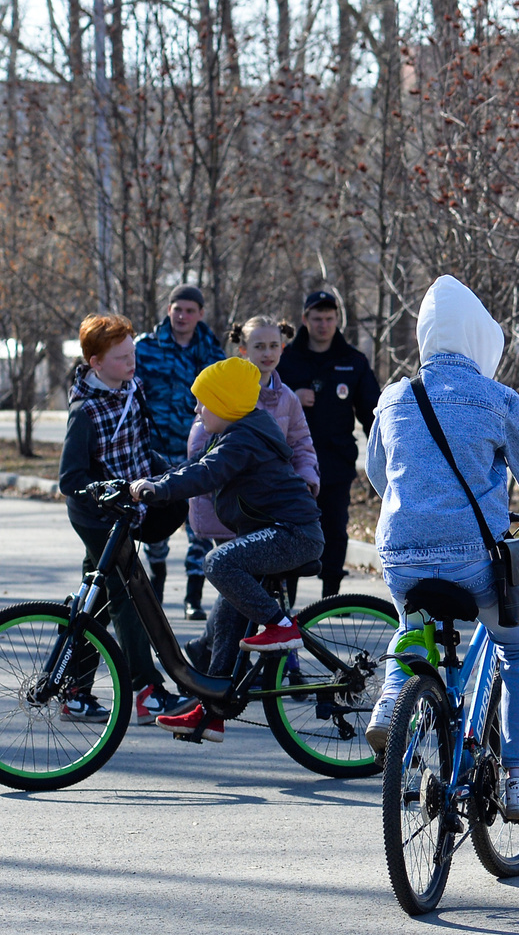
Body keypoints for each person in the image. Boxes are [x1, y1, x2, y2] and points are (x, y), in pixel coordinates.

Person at [363, 276, 519, 821]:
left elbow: (378, 472)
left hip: (399, 555)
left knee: (410, 622)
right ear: (480, 340)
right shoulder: (497, 399)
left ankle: (396, 701)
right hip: (471, 559)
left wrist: (419, 507)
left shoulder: (393, 398)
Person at [127, 358, 324, 742]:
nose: (197, 410)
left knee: (217, 560)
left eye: (204, 402)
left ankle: (281, 626)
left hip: (293, 534)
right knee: (220, 629)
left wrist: (159, 490)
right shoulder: (236, 434)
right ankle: (211, 714)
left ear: (228, 404)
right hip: (274, 532)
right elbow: (196, 466)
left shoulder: (244, 438)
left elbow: (206, 474)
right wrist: (154, 481)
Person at [56, 315, 185, 721]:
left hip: (126, 514)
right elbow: (69, 479)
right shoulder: (85, 410)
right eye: (121, 357)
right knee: (128, 595)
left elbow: (140, 450)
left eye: (132, 353)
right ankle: (146, 691)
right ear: (95, 363)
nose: (132, 362)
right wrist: (106, 493)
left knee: (90, 601)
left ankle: (72, 691)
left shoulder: (133, 388)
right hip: (97, 519)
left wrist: (170, 480)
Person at [186, 316, 324, 603]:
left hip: (272, 508)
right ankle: (215, 645)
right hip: (232, 509)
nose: (268, 353)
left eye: (274, 345)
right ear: (243, 350)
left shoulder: (287, 397)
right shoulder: (228, 389)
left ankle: (267, 641)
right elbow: (201, 448)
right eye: (259, 346)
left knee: (257, 589)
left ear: (283, 348)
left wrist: (306, 479)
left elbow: (301, 444)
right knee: (238, 589)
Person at [278, 287, 381, 598]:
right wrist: (292, 397)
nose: (323, 324)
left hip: (336, 462)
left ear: (337, 320)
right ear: (304, 319)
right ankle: (287, 598)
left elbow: (372, 413)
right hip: (291, 463)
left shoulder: (353, 361)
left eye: (329, 318)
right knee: (292, 530)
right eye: (317, 318)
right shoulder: (286, 359)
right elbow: (263, 405)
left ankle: (332, 596)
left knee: (335, 530)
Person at [133, 284, 226, 616]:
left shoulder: (214, 356)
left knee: (198, 527)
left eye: (190, 310)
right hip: (154, 452)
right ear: (168, 310)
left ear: (200, 314)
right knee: (154, 524)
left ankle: (193, 596)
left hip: (196, 452)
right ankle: (156, 577)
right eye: (177, 309)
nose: (183, 316)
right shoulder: (144, 348)